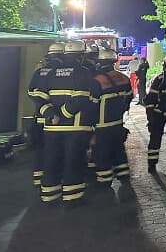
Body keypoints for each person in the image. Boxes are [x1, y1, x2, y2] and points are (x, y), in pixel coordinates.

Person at [38, 40, 95, 206]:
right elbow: (80, 99)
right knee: (73, 161)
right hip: (75, 128)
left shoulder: (50, 72)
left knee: (51, 160)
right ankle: (73, 197)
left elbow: (39, 98)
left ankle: (49, 195)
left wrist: (50, 114)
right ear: (82, 56)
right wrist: (63, 115)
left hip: (51, 128)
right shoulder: (82, 72)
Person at [89, 48, 133, 187]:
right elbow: (129, 99)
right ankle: (124, 176)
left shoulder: (97, 81)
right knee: (119, 150)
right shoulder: (124, 78)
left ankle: (104, 181)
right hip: (118, 123)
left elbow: (91, 105)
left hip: (102, 126)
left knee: (102, 154)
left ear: (100, 63)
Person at [26, 42, 65, 189]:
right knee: (53, 152)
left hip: (39, 117)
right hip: (55, 121)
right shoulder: (60, 72)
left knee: (40, 150)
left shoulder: (39, 71)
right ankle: (54, 181)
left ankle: (39, 180)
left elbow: (32, 93)